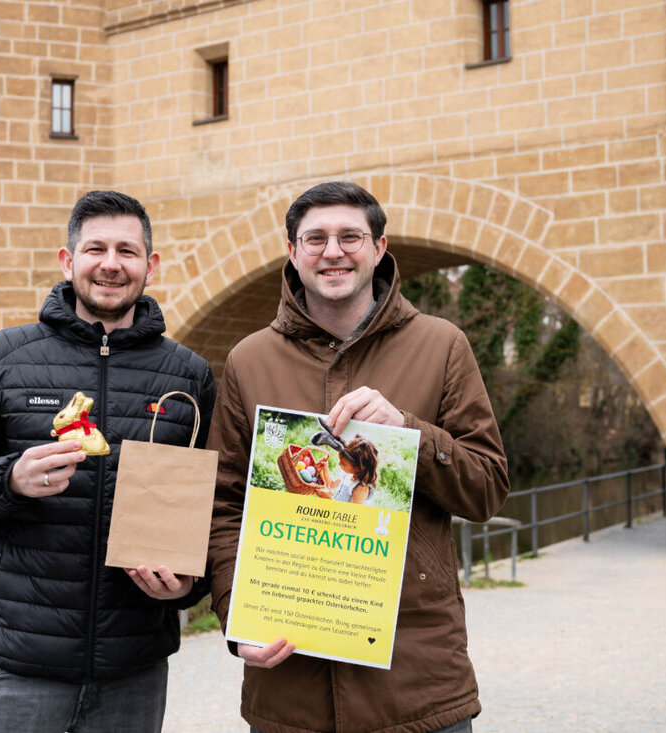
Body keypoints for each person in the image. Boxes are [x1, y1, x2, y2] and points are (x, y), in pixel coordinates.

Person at [207, 181, 510, 733]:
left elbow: (487, 488)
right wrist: (236, 617)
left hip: (416, 682)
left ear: (379, 248)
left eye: (351, 236)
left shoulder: (441, 345)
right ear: (293, 252)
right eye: (315, 238)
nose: (333, 251)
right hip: (290, 688)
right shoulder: (248, 361)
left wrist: (410, 436)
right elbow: (222, 508)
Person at [0, 190, 216, 732]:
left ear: (150, 267)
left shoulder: (190, 376)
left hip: (134, 667)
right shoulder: (4, 357)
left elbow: (210, 509)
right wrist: (9, 478)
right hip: (19, 666)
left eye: (127, 251)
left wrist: (188, 587)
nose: (111, 264)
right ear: (68, 261)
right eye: (95, 249)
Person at [320, 435, 379, 504]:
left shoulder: (361, 488)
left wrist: (329, 499)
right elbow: (332, 485)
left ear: (358, 468)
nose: (339, 464)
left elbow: (351, 512)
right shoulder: (347, 473)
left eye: (343, 464)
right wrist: (325, 468)